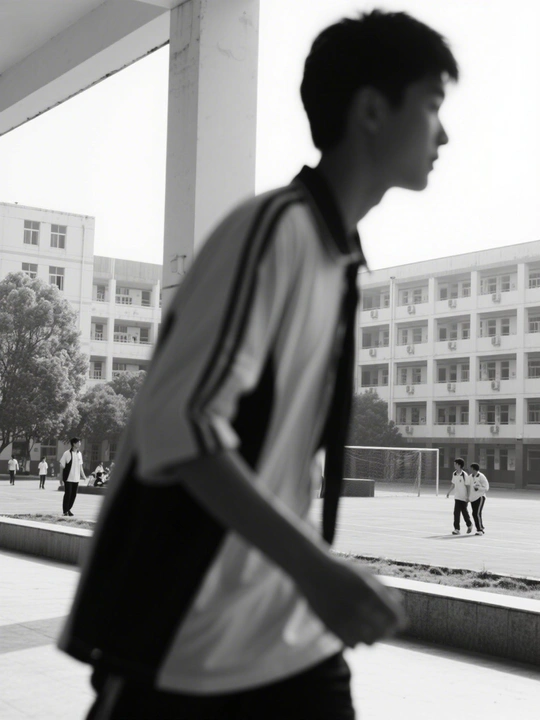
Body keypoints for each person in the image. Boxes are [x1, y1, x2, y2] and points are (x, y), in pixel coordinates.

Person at [59, 10, 458, 719]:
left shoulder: (336, 259)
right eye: (431, 106)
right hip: (188, 642)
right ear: (372, 110)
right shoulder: (273, 236)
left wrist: (306, 574)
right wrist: (318, 569)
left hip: (288, 635)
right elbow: (181, 427)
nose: (443, 134)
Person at [59, 438, 87, 516]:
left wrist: (84, 476)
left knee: (73, 495)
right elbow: (62, 466)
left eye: (80, 442)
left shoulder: (79, 454)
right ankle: (65, 511)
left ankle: (68, 509)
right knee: (68, 494)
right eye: (78, 442)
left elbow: (80, 466)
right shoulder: (67, 453)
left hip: (76, 478)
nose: (80, 444)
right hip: (68, 478)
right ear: (74, 444)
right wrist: (60, 478)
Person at [446, 457, 472, 535]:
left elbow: (468, 486)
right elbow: (453, 484)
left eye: (455, 464)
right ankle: (456, 529)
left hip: (464, 497)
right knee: (456, 513)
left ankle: (469, 525)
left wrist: (468, 496)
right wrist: (448, 492)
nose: (454, 465)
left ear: (459, 465)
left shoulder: (464, 475)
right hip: (457, 497)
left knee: (464, 512)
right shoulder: (454, 474)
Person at [469, 462, 489, 535]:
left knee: (476, 513)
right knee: (475, 513)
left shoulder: (481, 476)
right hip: (473, 498)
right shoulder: (470, 476)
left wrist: (478, 487)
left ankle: (480, 530)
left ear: (474, 469)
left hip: (480, 497)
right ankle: (481, 526)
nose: (470, 470)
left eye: (471, 468)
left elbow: (486, 488)